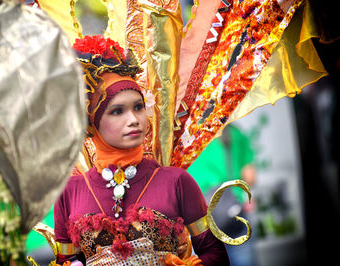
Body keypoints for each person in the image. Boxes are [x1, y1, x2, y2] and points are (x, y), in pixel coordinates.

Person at [53, 35, 229, 265]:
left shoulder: (176, 181)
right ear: (90, 121)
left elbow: (216, 255)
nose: (134, 119)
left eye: (138, 107)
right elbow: (64, 260)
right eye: (117, 111)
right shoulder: (68, 193)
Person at [188, 124, 256, 266]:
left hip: (197, 221)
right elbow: (250, 176)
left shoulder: (186, 139)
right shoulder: (233, 133)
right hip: (233, 212)